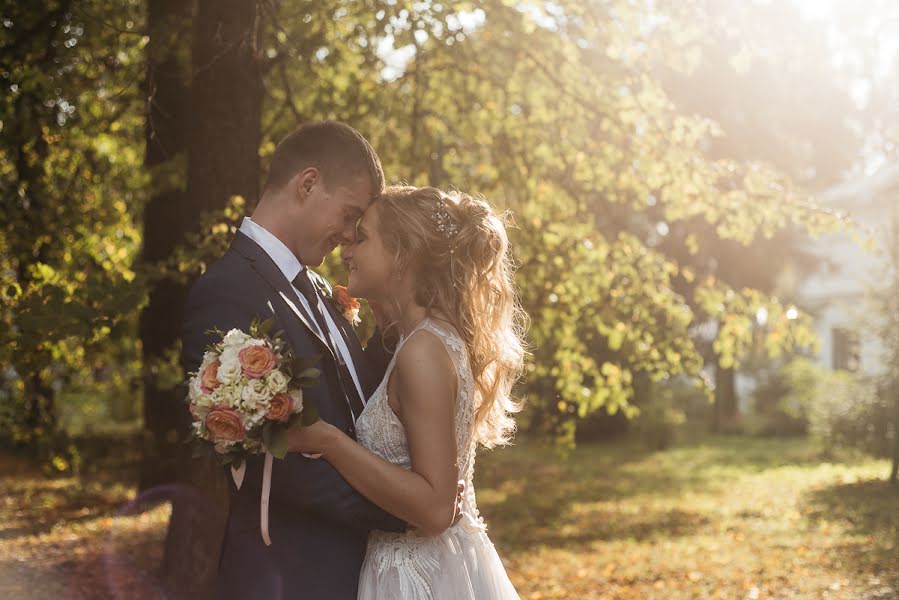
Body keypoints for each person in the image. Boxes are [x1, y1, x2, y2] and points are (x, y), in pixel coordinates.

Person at [181, 121, 406, 600]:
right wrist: (406, 511)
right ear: (307, 184)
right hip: (291, 575)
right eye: (349, 215)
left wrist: (404, 311)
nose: (348, 236)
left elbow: (361, 409)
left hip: (361, 570)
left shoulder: (322, 290)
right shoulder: (225, 293)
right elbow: (280, 468)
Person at [287, 185, 526, 599]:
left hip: (422, 577)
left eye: (362, 237)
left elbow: (435, 509)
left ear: (403, 254)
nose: (346, 250)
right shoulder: (415, 341)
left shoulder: (423, 351)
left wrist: (329, 441)